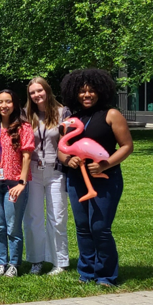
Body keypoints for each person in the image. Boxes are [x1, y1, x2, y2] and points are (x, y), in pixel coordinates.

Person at [58, 69, 133, 287]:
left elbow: (127, 146)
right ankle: (86, 272)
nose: (87, 95)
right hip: (77, 179)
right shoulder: (71, 119)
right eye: (82, 91)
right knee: (82, 226)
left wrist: (106, 163)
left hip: (106, 178)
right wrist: (67, 161)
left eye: (91, 90)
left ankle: (106, 275)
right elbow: (63, 149)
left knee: (100, 227)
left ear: (100, 91)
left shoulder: (111, 115)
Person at [0, 90, 34, 277]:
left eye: (8, 102)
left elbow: (27, 155)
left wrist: (21, 182)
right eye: (0, 102)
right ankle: (1, 263)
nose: (4, 105)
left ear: (15, 104)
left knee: (13, 225)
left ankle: (14, 264)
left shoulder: (23, 127)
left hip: (14, 182)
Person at [23, 77, 71, 276]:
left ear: (47, 90)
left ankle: (59, 261)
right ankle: (36, 260)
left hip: (56, 170)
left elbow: (69, 141)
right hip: (33, 171)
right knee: (33, 217)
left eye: (39, 90)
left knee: (57, 217)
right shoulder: (26, 115)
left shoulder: (63, 113)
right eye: (32, 92)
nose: (36, 95)